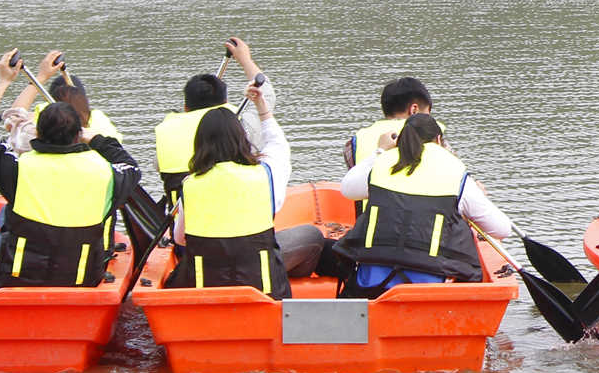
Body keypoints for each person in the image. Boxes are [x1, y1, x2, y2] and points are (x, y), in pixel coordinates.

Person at [0, 51, 145, 291]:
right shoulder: (106, 173)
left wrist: (4, 81)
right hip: (81, 279)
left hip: (20, 282)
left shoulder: (19, 170)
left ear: (38, 133)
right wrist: (96, 140)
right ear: (79, 133)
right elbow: (132, 167)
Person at [167, 79, 321, 296]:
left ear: (200, 144)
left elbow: (180, 238)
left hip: (208, 284)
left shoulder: (190, 185)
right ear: (241, 139)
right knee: (311, 235)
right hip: (262, 283)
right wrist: (262, 109)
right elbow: (278, 145)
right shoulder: (265, 175)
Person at [332, 113, 510, 297]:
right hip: (428, 286)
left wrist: (380, 151)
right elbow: (501, 229)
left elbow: (348, 189)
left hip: (371, 283)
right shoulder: (454, 170)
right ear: (439, 140)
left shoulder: (382, 163)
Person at [155, 37, 263, 202]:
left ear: (186, 107)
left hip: (184, 217)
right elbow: (265, 97)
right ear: (225, 103)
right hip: (235, 209)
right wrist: (244, 59)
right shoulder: (240, 122)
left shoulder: (167, 129)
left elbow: (158, 165)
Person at [344, 76, 436, 170]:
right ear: (414, 110)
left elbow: (353, 177)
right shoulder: (431, 134)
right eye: (428, 113)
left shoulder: (354, 143)